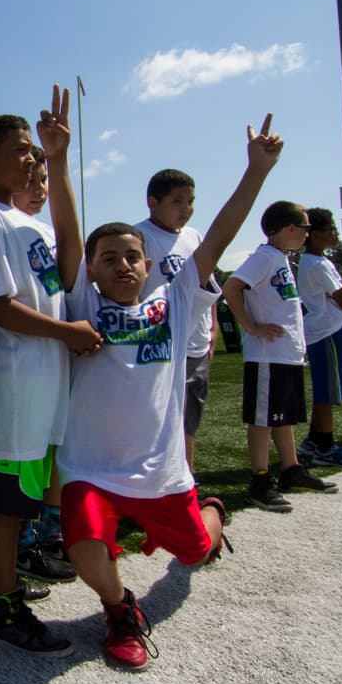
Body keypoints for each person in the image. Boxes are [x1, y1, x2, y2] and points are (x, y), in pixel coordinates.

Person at [43, 84, 277, 671]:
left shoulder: (172, 306)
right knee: (85, 550)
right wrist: (56, 160)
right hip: (91, 467)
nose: (121, 265)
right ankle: (121, 607)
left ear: (150, 264)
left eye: (131, 257)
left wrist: (256, 173)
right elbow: (68, 228)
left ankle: (212, 511)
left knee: (196, 553)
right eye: (107, 259)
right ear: (89, 271)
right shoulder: (84, 305)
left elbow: (219, 233)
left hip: (161, 470)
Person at [0, 119, 101, 657]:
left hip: (44, 384)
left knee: (19, 501)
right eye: (20, 151)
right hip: (13, 385)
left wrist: (60, 161)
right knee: (2, 502)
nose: (30, 159)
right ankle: (1, 604)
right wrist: (68, 332)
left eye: (33, 153)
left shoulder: (26, 221)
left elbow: (70, 264)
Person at [222, 201, 338, 513]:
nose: (307, 234)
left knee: (282, 416)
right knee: (263, 420)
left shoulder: (281, 259)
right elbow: (231, 287)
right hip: (267, 356)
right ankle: (260, 481)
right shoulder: (264, 257)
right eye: (304, 227)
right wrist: (251, 326)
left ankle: (291, 469)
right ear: (288, 228)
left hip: (286, 356)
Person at [135, 169, 218, 475]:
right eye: (177, 201)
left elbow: (207, 286)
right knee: (153, 424)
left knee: (187, 424)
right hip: (158, 347)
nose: (186, 209)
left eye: (191, 201)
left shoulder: (194, 237)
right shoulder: (139, 237)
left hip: (194, 346)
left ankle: (186, 483)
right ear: (152, 202)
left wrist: (212, 330)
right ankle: (147, 487)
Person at [295, 208, 342, 468]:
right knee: (327, 392)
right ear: (314, 235)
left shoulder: (322, 262)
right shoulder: (315, 264)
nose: (336, 233)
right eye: (331, 229)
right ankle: (325, 446)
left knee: (330, 388)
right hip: (326, 332)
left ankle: (314, 440)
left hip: (332, 330)